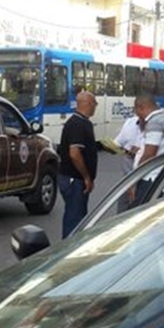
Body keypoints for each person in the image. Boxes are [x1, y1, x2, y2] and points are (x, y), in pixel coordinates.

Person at [57, 91, 99, 238]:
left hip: (73, 178)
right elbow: (74, 153)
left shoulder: (81, 122)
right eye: (95, 102)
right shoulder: (78, 124)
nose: (96, 106)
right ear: (88, 103)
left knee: (77, 215)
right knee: (75, 219)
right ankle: (68, 250)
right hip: (74, 179)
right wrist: (87, 177)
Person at [129, 92, 164, 207]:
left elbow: (150, 154)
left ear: (141, 107)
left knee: (138, 213)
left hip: (150, 178)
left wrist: (134, 179)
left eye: (136, 111)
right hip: (159, 176)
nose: (137, 115)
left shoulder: (154, 122)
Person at [113, 115, 144, 212]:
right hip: (127, 176)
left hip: (144, 177)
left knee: (139, 210)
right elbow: (117, 144)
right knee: (122, 208)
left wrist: (140, 151)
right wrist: (126, 151)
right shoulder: (130, 123)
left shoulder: (155, 127)